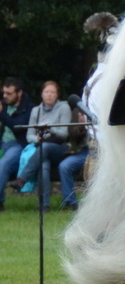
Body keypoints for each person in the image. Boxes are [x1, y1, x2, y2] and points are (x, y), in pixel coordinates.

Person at [26, 79, 76, 210]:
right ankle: (44, 205)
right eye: (46, 92)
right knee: (43, 166)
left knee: (45, 147)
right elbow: (29, 136)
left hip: (60, 148)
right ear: (42, 94)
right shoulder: (35, 111)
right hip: (41, 148)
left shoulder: (64, 108)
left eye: (52, 92)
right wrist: (38, 139)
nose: (49, 95)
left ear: (57, 95)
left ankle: (22, 178)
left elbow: (64, 134)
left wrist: (49, 128)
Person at [1, 77, 32, 210]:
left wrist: (1, 113)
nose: (5, 96)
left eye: (9, 94)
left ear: (19, 93)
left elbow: (16, 125)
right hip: (2, 143)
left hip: (18, 144)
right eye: (3, 93)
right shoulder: (4, 104)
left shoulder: (29, 108)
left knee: (3, 165)